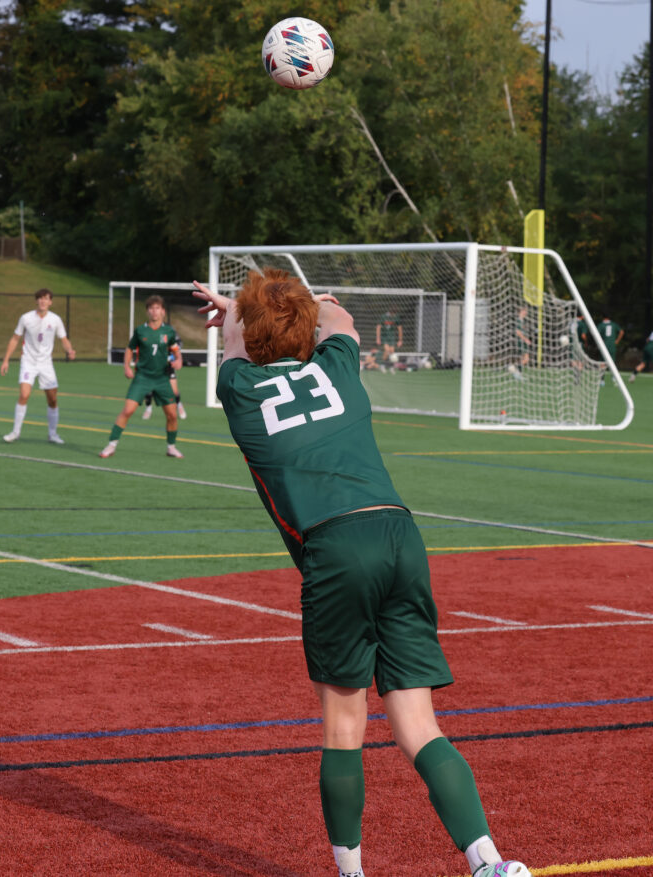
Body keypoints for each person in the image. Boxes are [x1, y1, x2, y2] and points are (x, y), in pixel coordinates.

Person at [192, 270, 531, 877]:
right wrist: (304, 303)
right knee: (419, 724)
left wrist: (237, 314)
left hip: (335, 544)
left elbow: (240, 345)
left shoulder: (238, 386)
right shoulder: (339, 365)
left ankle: (351, 872)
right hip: (400, 533)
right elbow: (339, 319)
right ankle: (491, 863)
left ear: (244, 332)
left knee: (345, 725)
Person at [100, 294, 183, 459]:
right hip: (142, 378)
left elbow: (174, 349)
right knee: (127, 411)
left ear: (163, 311)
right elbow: (130, 349)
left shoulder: (168, 331)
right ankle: (111, 445)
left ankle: (171, 447)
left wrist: (179, 360)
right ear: (147, 311)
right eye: (151, 308)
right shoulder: (140, 330)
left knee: (172, 415)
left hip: (162, 379)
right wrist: (126, 366)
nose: (154, 311)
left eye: (157, 308)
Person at [0, 288, 75, 444]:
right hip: (28, 362)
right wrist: (6, 360)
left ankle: (52, 434)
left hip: (46, 364)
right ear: (36, 301)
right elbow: (15, 339)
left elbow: (64, 339)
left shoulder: (55, 319)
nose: (43, 301)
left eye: (46, 299)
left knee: (52, 399)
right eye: (40, 298)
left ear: (50, 302)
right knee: (24, 394)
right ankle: (15, 432)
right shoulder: (26, 318)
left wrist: (69, 350)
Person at [142, 350, 186, 421]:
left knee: (174, 391)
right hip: (154, 367)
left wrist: (173, 359)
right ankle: (148, 408)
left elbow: (175, 352)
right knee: (149, 390)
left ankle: (179, 405)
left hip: (168, 367)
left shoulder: (169, 340)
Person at [509, 306, 531, 381]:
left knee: (523, 359)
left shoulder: (523, 321)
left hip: (522, 342)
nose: (526, 312)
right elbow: (518, 332)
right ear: (521, 311)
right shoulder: (518, 320)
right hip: (521, 342)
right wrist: (525, 339)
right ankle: (514, 367)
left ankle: (518, 374)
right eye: (525, 310)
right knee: (526, 359)